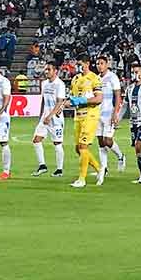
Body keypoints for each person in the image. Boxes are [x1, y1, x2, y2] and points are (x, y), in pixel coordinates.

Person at [67, 54, 104, 188]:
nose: (78, 66)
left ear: (87, 64)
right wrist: (68, 103)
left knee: (83, 146)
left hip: (90, 115)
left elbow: (99, 99)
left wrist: (83, 101)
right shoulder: (76, 79)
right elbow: (73, 97)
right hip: (78, 116)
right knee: (78, 148)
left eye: (80, 64)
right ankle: (100, 169)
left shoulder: (94, 78)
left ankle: (81, 179)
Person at [32, 61, 67, 177]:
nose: (46, 71)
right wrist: (41, 115)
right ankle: (42, 166)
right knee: (36, 139)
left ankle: (59, 169)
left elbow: (60, 102)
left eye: (49, 69)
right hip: (45, 117)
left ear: (55, 71)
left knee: (57, 143)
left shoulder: (59, 84)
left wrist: (50, 116)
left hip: (55, 119)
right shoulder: (44, 83)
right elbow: (43, 100)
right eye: (46, 69)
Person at [96, 55, 125, 173]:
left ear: (107, 64)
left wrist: (115, 113)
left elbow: (118, 96)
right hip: (98, 113)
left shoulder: (112, 77)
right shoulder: (96, 78)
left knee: (108, 140)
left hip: (109, 113)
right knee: (100, 141)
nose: (99, 66)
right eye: (98, 63)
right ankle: (104, 168)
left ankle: (121, 156)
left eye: (102, 63)